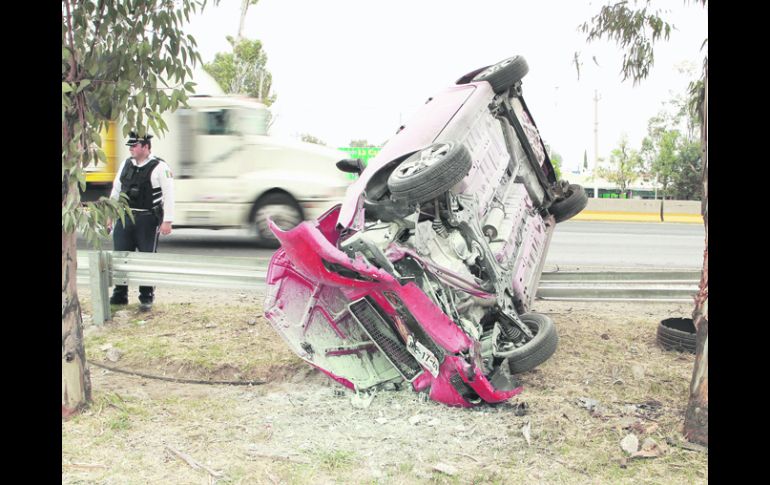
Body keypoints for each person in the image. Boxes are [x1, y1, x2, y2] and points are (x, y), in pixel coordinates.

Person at [107, 132, 175, 311]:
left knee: (146, 259)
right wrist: (109, 214)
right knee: (121, 256)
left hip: (147, 219)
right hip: (124, 216)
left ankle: (146, 297)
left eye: (134, 146)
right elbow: (117, 189)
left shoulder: (160, 167)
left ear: (145, 147)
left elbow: (169, 195)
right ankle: (119, 295)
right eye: (130, 146)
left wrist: (167, 221)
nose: (131, 149)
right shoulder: (126, 164)